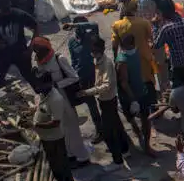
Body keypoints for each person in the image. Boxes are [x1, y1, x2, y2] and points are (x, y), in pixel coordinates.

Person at [31, 37, 92, 165]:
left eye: (39, 50)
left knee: (72, 127)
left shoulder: (59, 59)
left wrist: (57, 84)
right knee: (61, 128)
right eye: (35, 50)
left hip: (64, 96)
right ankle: (69, 154)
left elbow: (74, 77)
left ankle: (82, 156)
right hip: (50, 96)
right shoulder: (39, 61)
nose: (37, 52)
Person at [80, 36, 130, 166]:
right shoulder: (97, 60)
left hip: (108, 100)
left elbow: (106, 85)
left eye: (94, 50)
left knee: (108, 132)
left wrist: (88, 92)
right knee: (117, 126)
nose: (92, 52)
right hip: (104, 100)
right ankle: (125, 149)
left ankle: (117, 160)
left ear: (99, 50)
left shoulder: (106, 63)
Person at [32, 75, 80, 181]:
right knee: (57, 165)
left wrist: (36, 125)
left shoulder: (56, 99)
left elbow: (55, 122)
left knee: (59, 166)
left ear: (48, 84)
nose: (37, 87)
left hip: (54, 138)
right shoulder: (45, 94)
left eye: (40, 85)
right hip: (47, 138)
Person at [115, 32, 156, 155]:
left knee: (146, 119)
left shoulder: (136, 53)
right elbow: (124, 83)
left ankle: (147, 145)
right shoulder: (122, 61)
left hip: (141, 91)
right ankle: (136, 130)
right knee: (130, 117)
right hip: (128, 96)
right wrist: (133, 100)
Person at [65, 17, 104, 141]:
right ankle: (76, 131)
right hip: (80, 76)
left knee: (95, 103)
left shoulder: (91, 36)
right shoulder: (71, 42)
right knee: (78, 102)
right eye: (78, 28)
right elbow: (73, 60)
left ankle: (101, 130)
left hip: (93, 74)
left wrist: (74, 24)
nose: (80, 30)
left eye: (81, 27)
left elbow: (95, 24)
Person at [153, 0, 184, 77]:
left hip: (179, 68)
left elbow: (156, 45)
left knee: (179, 89)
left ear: (162, 13)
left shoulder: (166, 29)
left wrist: (155, 25)